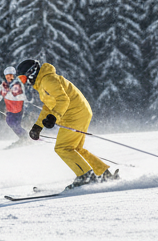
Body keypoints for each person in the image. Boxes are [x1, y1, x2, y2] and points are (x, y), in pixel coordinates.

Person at [16, 59, 116, 188]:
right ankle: (103, 173)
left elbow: (63, 100)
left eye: (23, 78)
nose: (24, 82)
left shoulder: (48, 80)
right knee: (76, 149)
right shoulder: (43, 82)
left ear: (32, 72)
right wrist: (38, 126)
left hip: (74, 113)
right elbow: (48, 106)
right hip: (80, 112)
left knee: (63, 148)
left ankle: (85, 176)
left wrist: (53, 117)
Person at [0, 65, 28, 142]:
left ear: (13, 75)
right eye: (7, 76)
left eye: (10, 75)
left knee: (14, 123)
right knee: (10, 122)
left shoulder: (17, 83)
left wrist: (6, 91)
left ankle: (24, 137)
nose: (8, 77)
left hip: (18, 108)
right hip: (10, 109)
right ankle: (23, 137)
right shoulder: (5, 85)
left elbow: (16, 94)